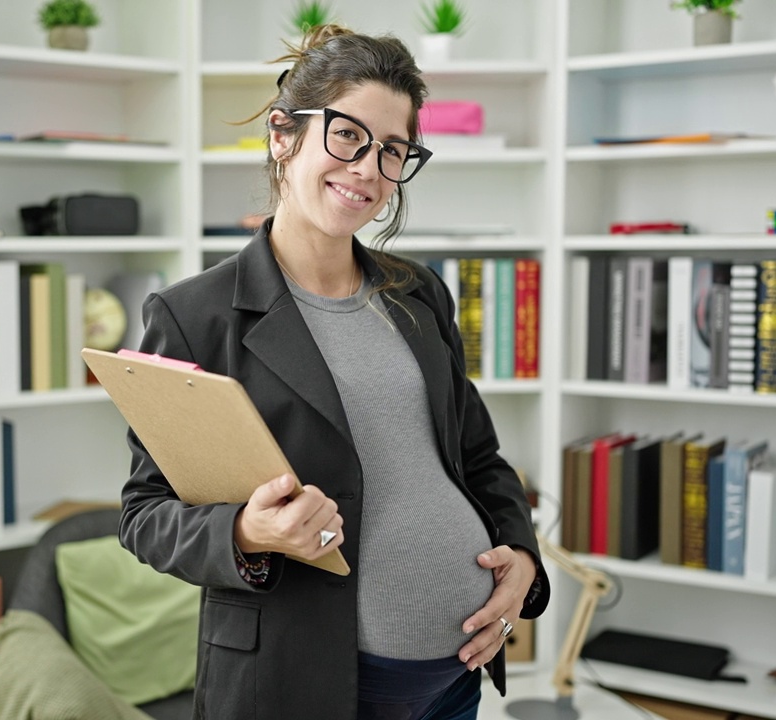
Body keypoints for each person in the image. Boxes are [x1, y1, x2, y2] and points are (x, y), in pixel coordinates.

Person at [118, 25, 549, 720]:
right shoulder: (195, 315)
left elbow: (477, 458)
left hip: (455, 678)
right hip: (306, 684)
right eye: (348, 136)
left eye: (393, 151)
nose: (369, 170)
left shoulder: (418, 293)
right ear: (283, 135)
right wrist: (248, 533)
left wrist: (522, 560)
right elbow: (145, 516)